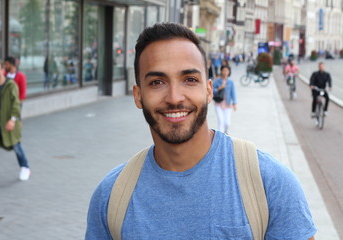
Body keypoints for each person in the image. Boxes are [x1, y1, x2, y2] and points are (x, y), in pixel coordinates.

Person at [85, 23, 316, 240]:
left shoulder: (270, 185)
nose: (174, 97)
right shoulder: (112, 197)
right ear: (138, 95)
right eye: (157, 82)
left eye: (190, 79)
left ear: (208, 91)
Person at [0, 62, 30, 184]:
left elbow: (16, 104)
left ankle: (25, 167)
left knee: (16, 145)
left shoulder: (10, 85)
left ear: (2, 70)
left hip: (8, 122)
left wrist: (13, 120)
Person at [213, 65, 237, 134]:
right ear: (221, 71)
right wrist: (219, 88)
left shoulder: (231, 82)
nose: (225, 72)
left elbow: (233, 93)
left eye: (227, 70)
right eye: (224, 70)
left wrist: (235, 103)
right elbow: (211, 91)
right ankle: (221, 137)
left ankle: (226, 132)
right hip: (218, 104)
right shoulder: (217, 81)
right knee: (221, 121)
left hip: (228, 104)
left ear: (229, 72)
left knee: (227, 123)